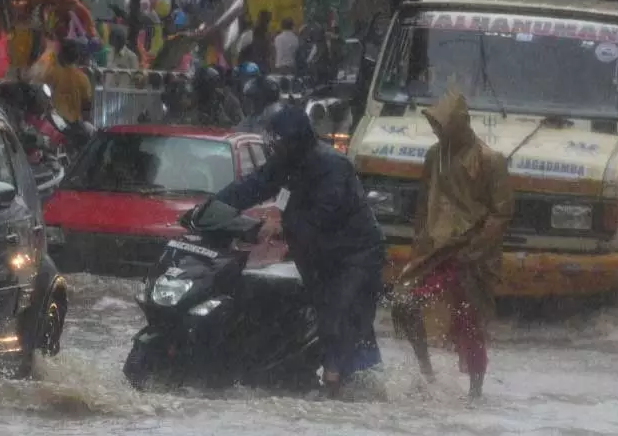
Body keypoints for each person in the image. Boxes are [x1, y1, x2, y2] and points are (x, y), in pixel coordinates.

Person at [214, 106, 384, 398]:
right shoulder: (285, 162)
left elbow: (322, 215)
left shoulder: (333, 165)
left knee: (339, 311)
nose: (273, 147)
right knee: (329, 315)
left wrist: (279, 227)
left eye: (278, 141)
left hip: (355, 253)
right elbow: (252, 186)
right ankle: (351, 378)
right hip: (316, 252)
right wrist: (215, 206)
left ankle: (335, 385)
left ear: (295, 141)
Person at [391, 90, 513, 399]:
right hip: (435, 250)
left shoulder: (489, 160)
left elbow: (501, 213)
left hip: (471, 253)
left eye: (441, 126)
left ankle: (475, 392)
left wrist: (475, 252)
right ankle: (426, 371)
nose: (436, 132)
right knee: (404, 301)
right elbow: (423, 204)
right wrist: (419, 247)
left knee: (468, 321)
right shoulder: (435, 155)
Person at [46, 40, 93, 125]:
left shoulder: (53, 74)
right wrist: (86, 123)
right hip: (75, 123)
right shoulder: (83, 78)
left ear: (60, 55)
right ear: (77, 57)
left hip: (55, 121)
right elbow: (86, 105)